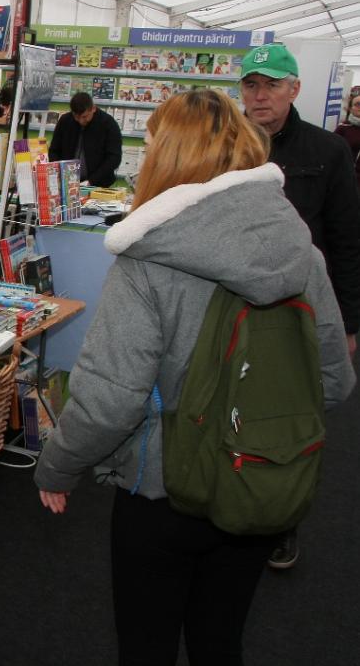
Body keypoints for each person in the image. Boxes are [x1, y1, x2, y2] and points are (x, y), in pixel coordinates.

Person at [34, 88, 355, 666]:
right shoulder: (300, 248)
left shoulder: (148, 258)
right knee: (220, 641)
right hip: (259, 481)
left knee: (146, 646)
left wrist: (57, 465)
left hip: (161, 492)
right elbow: (332, 380)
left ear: (173, 157)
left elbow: (110, 401)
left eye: (153, 143)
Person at [238, 43, 360, 570]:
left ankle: (283, 520)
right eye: (251, 84)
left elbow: (347, 241)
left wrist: (350, 325)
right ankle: (230, 505)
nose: (260, 95)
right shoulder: (225, 145)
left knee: (291, 421)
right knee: (231, 410)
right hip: (232, 306)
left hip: (299, 311)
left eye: (271, 84)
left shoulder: (328, 152)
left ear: (295, 89)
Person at [48, 91, 123, 187]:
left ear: (93, 109)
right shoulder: (65, 121)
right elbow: (54, 150)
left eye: (85, 116)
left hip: (99, 185)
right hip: (66, 183)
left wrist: (91, 181)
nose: (81, 121)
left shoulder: (108, 124)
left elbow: (114, 158)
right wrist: (59, 173)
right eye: (76, 117)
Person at [333, 91, 360, 185]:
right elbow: (332, 153)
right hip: (350, 180)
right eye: (358, 104)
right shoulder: (343, 128)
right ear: (350, 108)